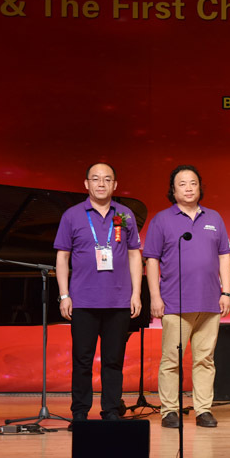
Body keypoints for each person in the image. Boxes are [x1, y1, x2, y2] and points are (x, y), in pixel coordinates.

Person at [144, 165, 230, 429]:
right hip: (175, 302)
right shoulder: (162, 220)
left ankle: (203, 409)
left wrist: (226, 291)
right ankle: (169, 410)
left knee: (205, 359)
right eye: (182, 184)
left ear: (200, 187)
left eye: (193, 183)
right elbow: (151, 260)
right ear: (173, 190)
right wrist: (155, 297)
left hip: (210, 302)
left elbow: (224, 256)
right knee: (171, 360)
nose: (188, 188)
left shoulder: (214, 218)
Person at [54, 163, 142, 424]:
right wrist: (64, 295)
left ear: (115, 185)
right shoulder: (72, 215)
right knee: (82, 360)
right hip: (83, 301)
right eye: (95, 179)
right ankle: (80, 413)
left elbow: (134, 254)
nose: (101, 184)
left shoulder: (125, 214)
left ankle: (111, 411)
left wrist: (136, 293)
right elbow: (62, 257)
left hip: (118, 300)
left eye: (106, 179)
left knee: (113, 361)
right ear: (86, 184)